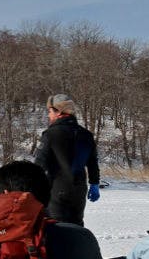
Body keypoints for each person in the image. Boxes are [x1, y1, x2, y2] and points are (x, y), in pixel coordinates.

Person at [33, 93, 101, 225]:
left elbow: (39, 165)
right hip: (79, 190)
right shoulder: (86, 135)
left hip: (56, 190)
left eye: (50, 111)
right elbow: (92, 163)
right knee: (76, 227)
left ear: (59, 112)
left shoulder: (51, 134)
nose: (49, 115)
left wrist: (33, 189)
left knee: (55, 229)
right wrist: (94, 184)